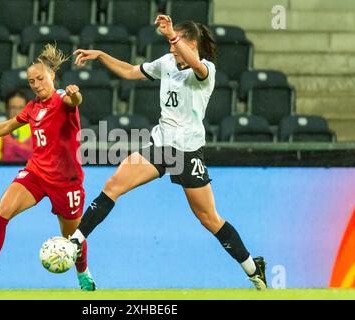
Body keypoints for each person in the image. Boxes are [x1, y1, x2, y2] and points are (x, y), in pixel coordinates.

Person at [68, 15, 267, 289]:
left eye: (177, 42)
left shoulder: (205, 70)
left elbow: (196, 64)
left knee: (209, 218)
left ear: (192, 43)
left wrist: (172, 34)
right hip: (160, 146)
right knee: (113, 184)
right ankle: (75, 242)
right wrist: (101, 55)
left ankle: (254, 270)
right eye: (172, 43)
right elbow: (129, 72)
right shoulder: (166, 63)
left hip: (188, 152)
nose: (172, 48)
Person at [0, 44, 96, 291]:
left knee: (73, 237)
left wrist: (74, 94)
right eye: (31, 81)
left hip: (66, 182)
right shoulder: (33, 107)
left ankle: (83, 273)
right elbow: (7, 126)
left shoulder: (62, 100)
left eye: (40, 78)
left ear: (52, 76)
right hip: (36, 173)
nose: (36, 84)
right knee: (1, 212)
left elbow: (75, 101)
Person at [0, 90, 33, 162]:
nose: (16, 112)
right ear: (7, 109)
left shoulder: (35, 128)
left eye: (20, 108)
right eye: (13, 107)